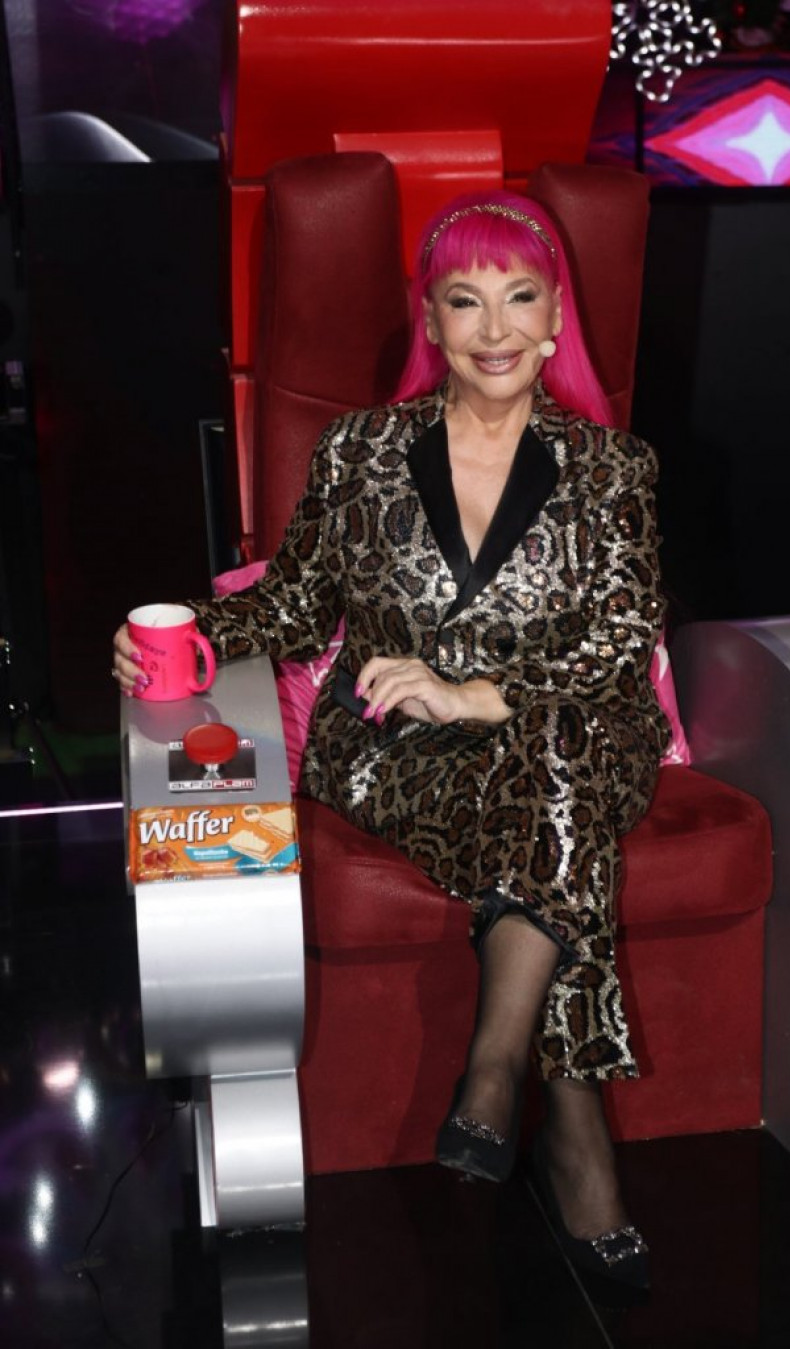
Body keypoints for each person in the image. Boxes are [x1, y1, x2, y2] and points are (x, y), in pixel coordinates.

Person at [113, 190, 671, 1291]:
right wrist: (172, 637)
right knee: (555, 796)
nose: (495, 328)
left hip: (571, 728)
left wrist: (477, 694)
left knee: (556, 753)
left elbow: (619, 639)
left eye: (521, 298)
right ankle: (563, 1125)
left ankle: (497, 1073)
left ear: (558, 319)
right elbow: (290, 606)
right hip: (395, 752)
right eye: (466, 301)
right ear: (430, 319)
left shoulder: (616, 469)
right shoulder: (360, 452)